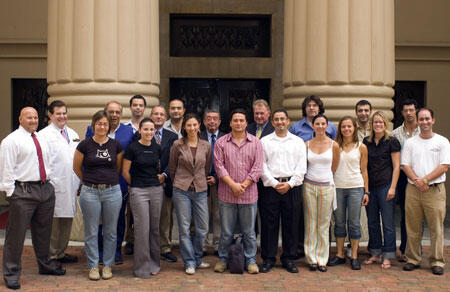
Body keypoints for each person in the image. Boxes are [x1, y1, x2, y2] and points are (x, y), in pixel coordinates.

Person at [0, 107, 65, 290]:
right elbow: (6, 169)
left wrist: (50, 184)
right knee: (16, 236)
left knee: (43, 232)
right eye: (29, 117)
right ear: (20, 119)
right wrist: (11, 193)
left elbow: (49, 162)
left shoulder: (41, 138)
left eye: (36, 117)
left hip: (45, 189)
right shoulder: (11, 141)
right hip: (23, 192)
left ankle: (45, 265)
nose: (33, 120)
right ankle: (11, 273)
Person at [74, 110, 123, 280]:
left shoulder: (116, 145)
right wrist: (89, 180)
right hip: (90, 192)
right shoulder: (84, 145)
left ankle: (107, 265)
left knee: (110, 231)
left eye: (105, 124)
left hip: (112, 191)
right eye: (99, 123)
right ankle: (93, 265)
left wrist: (107, 180)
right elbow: (76, 167)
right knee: (91, 231)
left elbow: (118, 168)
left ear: (109, 126)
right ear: (93, 125)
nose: (102, 126)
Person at [213, 108, 263, 274]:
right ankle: (223, 259)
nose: (238, 123)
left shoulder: (256, 142)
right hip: (227, 194)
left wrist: (244, 185)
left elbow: (258, 168)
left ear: (246, 123)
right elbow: (219, 167)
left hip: (249, 195)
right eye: (235, 120)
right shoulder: (221, 142)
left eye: (241, 120)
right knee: (226, 232)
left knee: (249, 232)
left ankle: (250, 260)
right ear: (230, 123)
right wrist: (233, 185)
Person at [401, 108, 449, 276]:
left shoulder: (442, 142)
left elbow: (444, 166)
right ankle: (413, 259)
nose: (424, 122)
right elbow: (405, 165)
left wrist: (425, 180)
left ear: (433, 120)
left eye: (427, 119)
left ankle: (436, 261)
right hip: (413, 190)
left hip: (434, 190)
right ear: (418, 121)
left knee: (436, 227)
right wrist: (417, 180)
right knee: (412, 227)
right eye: (421, 119)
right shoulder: (410, 143)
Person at [85, 101, 134, 264]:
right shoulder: (91, 130)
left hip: (118, 184)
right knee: (97, 220)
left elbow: (129, 159)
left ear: (121, 114)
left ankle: (116, 251)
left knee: (118, 220)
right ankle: (99, 251)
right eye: (111, 112)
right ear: (105, 113)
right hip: (94, 183)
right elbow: (84, 157)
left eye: (117, 112)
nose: (114, 115)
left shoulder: (128, 132)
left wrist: (127, 179)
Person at [259, 109, 306, 273]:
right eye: (276, 119)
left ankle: (288, 258)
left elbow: (302, 167)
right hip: (270, 188)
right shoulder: (264, 141)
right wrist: (273, 183)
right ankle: (268, 258)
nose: (279, 122)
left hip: (292, 187)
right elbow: (261, 165)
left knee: (291, 224)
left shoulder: (298, 142)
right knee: (268, 224)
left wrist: (290, 184)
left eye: (282, 119)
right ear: (272, 122)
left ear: (288, 121)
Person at [289, 95, 336, 258]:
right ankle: (306, 252)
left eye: (315, 105)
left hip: (325, 181)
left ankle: (323, 254)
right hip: (304, 179)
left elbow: (334, 162)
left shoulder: (331, 130)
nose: (311, 108)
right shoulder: (296, 128)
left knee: (324, 222)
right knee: (307, 219)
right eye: (308, 105)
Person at [169, 113, 212, 275]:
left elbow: (206, 168)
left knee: (202, 228)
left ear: (199, 125)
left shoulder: (206, 145)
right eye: (189, 125)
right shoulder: (177, 145)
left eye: (195, 125)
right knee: (184, 228)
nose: (192, 128)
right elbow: (172, 168)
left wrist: (199, 180)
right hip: (182, 190)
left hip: (200, 190)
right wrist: (180, 182)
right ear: (184, 127)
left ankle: (198, 258)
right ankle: (189, 261)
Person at [122, 118, 164, 278]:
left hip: (155, 190)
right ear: (139, 131)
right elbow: (125, 172)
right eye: (145, 129)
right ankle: (141, 267)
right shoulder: (132, 148)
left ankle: (154, 263)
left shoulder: (157, 148)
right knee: (141, 229)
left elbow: (159, 168)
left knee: (154, 229)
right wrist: (136, 185)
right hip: (138, 191)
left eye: (151, 129)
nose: (149, 132)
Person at [39, 100, 80, 264]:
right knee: (54, 223)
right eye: (58, 113)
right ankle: (52, 254)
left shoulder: (73, 134)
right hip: (54, 185)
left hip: (71, 184)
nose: (62, 116)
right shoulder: (44, 135)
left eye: (64, 113)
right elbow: (42, 162)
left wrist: (80, 182)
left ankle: (61, 252)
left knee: (67, 220)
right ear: (51, 115)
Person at [327, 116, 369, 271]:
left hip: (355, 187)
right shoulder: (335, 146)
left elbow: (364, 170)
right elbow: (331, 168)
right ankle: (339, 254)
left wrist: (366, 191)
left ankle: (354, 255)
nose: (346, 129)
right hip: (337, 187)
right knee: (338, 222)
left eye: (349, 126)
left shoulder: (361, 147)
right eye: (344, 126)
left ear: (354, 128)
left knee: (354, 223)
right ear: (340, 129)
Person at [363, 111, 400, 269]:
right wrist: (365, 189)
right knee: (372, 222)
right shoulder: (366, 141)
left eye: (380, 122)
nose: (378, 125)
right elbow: (363, 167)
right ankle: (375, 253)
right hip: (371, 187)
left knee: (388, 223)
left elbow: (397, 166)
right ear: (371, 125)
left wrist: (392, 187)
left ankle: (388, 255)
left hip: (386, 186)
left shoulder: (392, 141)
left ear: (385, 124)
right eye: (375, 122)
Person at [303, 114, 340, 273]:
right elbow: (304, 165)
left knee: (324, 223)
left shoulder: (334, 145)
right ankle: (311, 258)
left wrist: (325, 178)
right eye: (317, 123)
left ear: (327, 126)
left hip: (326, 186)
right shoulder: (306, 144)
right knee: (311, 223)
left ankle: (322, 259)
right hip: (309, 186)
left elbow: (334, 166)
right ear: (313, 126)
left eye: (322, 123)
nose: (319, 126)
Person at [146, 105, 180, 263]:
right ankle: (148, 247)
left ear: (165, 118)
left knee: (166, 216)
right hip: (146, 182)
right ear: (151, 116)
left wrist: (164, 175)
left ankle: (165, 247)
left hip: (166, 183)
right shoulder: (143, 133)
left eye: (161, 114)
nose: (158, 117)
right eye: (155, 114)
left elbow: (174, 160)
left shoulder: (172, 136)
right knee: (147, 216)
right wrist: (152, 176)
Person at [392, 99, 420, 262]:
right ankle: (404, 249)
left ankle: (416, 249)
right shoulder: (396, 133)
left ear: (416, 111)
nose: (409, 113)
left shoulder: (423, 130)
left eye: (411, 110)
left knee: (419, 215)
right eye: (406, 110)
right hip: (403, 177)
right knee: (405, 214)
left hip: (422, 176)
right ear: (402, 113)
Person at [200, 109, 226, 255]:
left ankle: (218, 245)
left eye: (215, 119)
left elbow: (227, 161)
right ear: (204, 122)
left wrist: (217, 177)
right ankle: (202, 245)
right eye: (208, 118)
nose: (212, 121)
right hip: (200, 181)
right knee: (201, 215)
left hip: (220, 181)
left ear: (219, 122)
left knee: (218, 215)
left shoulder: (225, 137)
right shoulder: (198, 136)